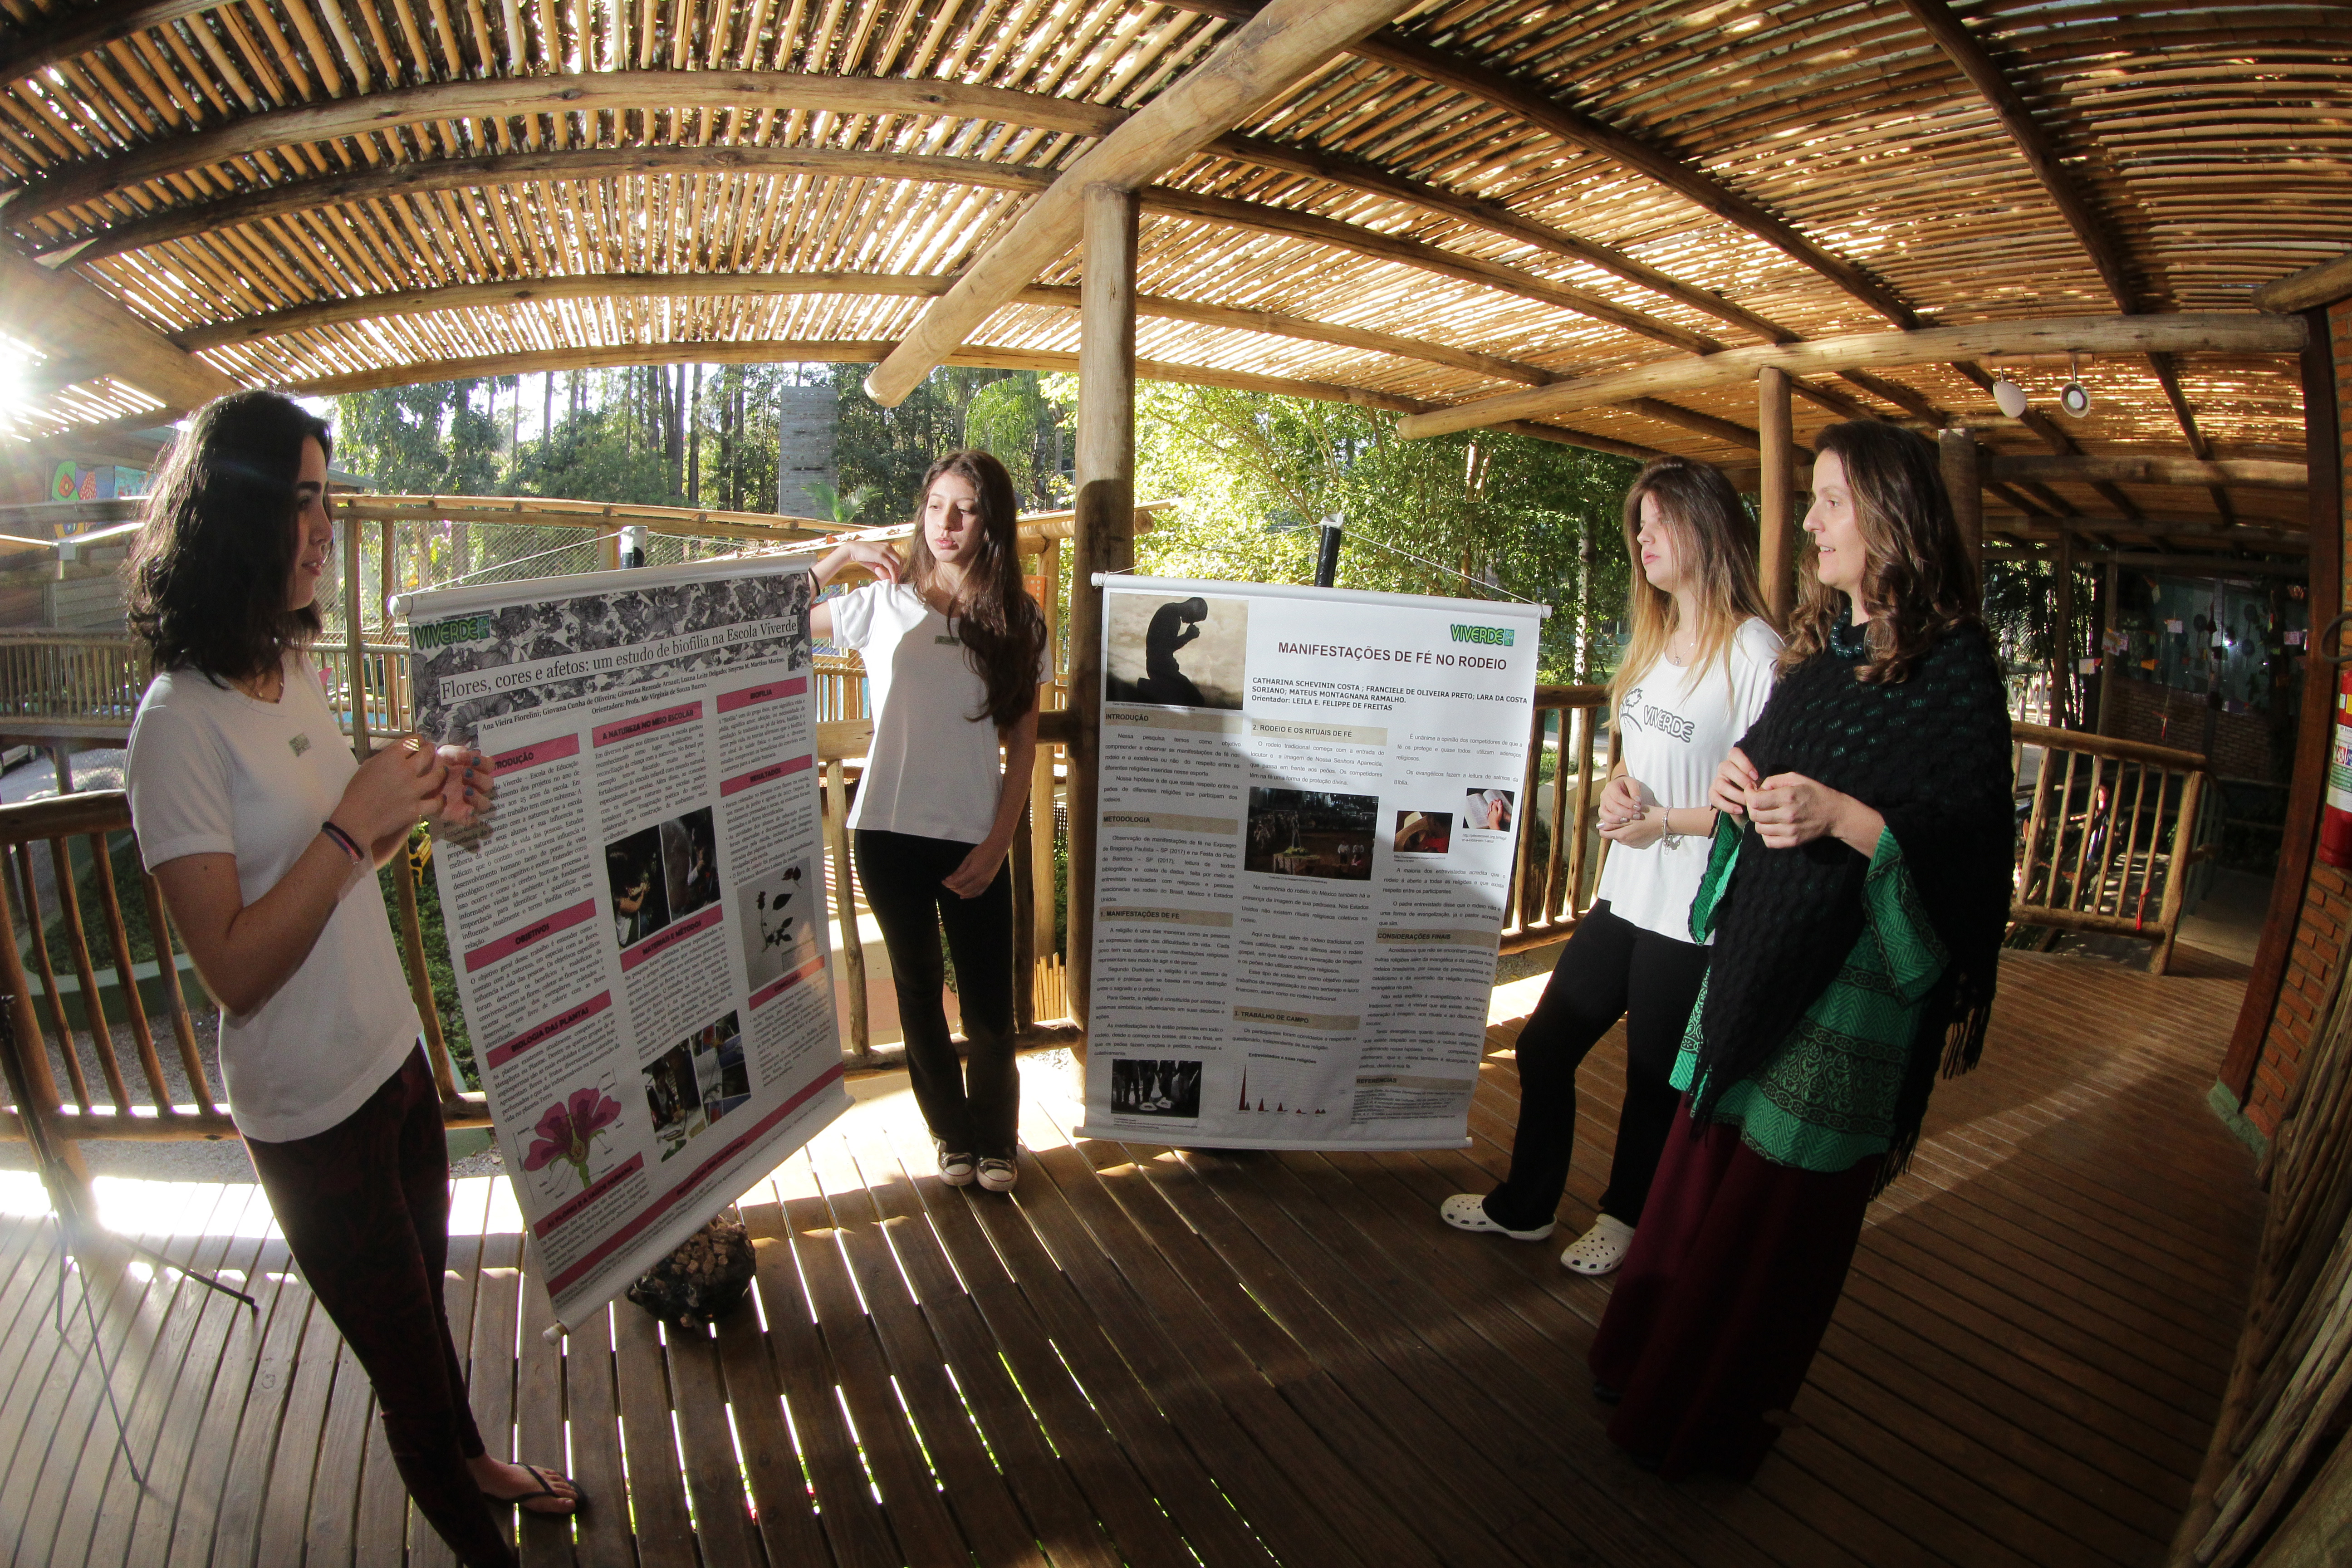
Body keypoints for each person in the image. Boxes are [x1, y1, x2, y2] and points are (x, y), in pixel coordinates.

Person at [122, 391, 578, 1568]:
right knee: (407, 1376)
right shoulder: (176, 726)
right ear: (237, 517)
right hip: (308, 1112)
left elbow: (348, 852)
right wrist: (345, 832)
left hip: (392, 1066)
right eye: (305, 502)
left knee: (428, 1315)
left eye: (330, 500)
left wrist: (419, 806)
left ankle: (479, 1462)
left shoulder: (289, 667)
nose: (325, 527)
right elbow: (232, 968)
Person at [1588, 421, 2014, 1480]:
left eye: (1827, 499)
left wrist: (1844, 816)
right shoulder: (1822, 659)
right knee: (1701, 1180)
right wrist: (1735, 786)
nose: (1810, 522)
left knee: (1767, 1229)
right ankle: (1637, 1365)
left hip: (1850, 995)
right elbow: (1764, 768)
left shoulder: (1954, 668)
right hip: (1760, 963)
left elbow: (1965, 855)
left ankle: (1698, 1420)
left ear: (1891, 515)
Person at [1441, 457, 1779, 1275]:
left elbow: (1762, 805)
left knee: (1650, 1083)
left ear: (1705, 527)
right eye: (1638, 524)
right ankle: (1524, 1206)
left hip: (1694, 909)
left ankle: (1626, 1219)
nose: (1642, 538)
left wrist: (1665, 820)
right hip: (1624, 892)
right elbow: (1636, 756)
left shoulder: (1754, 651)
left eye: (1657, 521)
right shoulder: (1658, 636)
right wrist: (1620, 791)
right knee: (1545, 1047)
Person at [811, 450, 1050, 1193]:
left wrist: (995, 843)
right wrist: (841, 556)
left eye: (966, 509)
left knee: (985, 1007)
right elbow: (772, 626)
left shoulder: (1018, 618)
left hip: (973, 833)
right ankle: (950, 1135)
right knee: (918, 993)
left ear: (991, 523)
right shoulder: (884, 602)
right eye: (935, 506)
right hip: (883, 830)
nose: (945, 523)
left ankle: (996, 1141)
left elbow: (1022, 744)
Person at [1141, 595, 1209, 705]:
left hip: (1162, 668)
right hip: (1162, 670)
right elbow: (1164, 647)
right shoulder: (1170, 614)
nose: (1191, 622)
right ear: (1190, 609)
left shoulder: (1171, 612)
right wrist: (1188, 636)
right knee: (1196, 700)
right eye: (1194, 618)